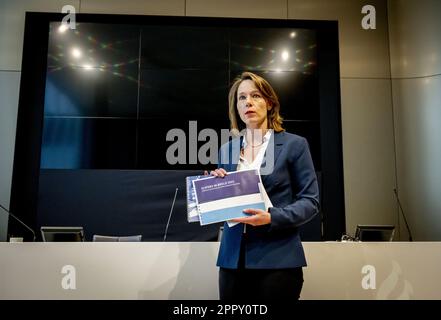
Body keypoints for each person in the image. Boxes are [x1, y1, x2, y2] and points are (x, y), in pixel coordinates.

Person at [210, 71, 320, 301]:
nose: (248, 102)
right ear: (237, 108)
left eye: (256, 96)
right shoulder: (226, 150)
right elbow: (226, 208)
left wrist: (271, 217)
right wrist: (215, 189)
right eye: (241, 98)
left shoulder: (295, 145)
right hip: (232, 262)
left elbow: (310, 202)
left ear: (269, 103)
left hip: (278, 261)